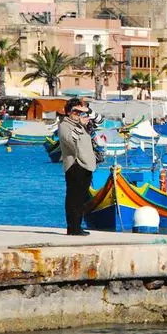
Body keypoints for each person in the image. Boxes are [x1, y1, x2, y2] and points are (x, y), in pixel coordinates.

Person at [59, 98, 98, 236]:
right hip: (75, 166)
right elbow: (70, 140)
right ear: (69, 112)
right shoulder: (64, 125)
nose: (77, 114)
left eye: (79, 111)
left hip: (87, 165)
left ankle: (78, 226)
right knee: (73, 198)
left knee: (82, 198)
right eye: (75, 111)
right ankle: (73, 228)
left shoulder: (84, 124)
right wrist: (78, 125)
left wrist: (88, 111)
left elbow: (100, 121)